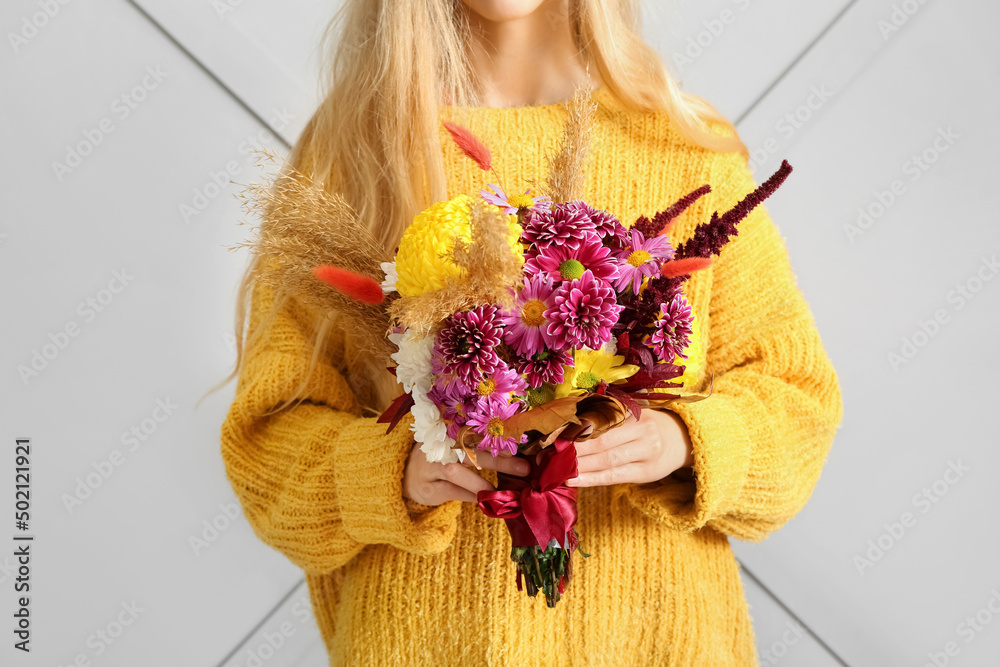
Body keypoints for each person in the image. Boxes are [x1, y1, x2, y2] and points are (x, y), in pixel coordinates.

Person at [217, 1, 844, 664]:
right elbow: (269, 444)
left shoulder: (683, 141)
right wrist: (392, 471)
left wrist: (686, 441)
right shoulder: (353, 152)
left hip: (657, 644)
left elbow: (797, 401)